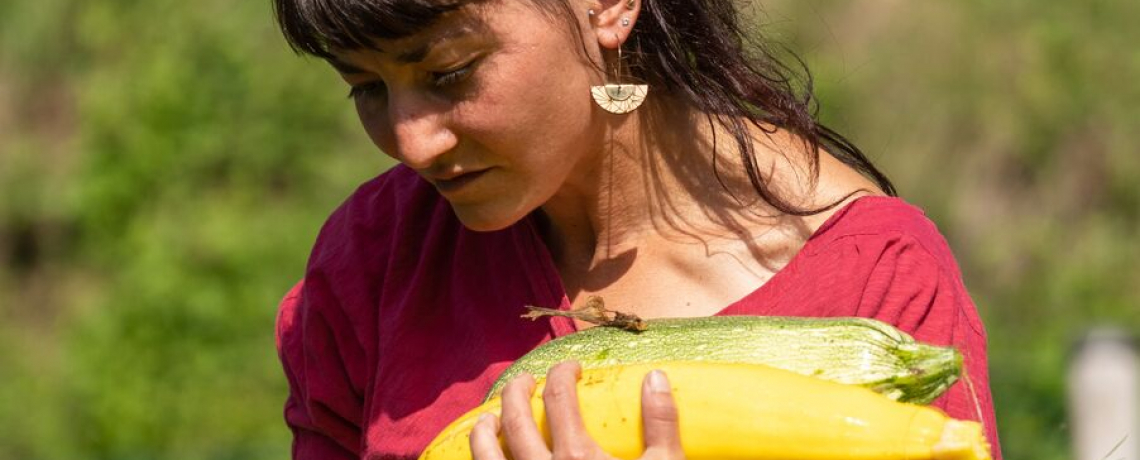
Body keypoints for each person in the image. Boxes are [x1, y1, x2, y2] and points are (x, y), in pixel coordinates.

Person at [271, 0, 1003, 458]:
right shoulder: (375, 257)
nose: (411, 142)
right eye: (366, 88)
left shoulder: (875, 283)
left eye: (450, 73)